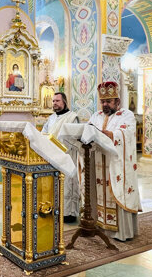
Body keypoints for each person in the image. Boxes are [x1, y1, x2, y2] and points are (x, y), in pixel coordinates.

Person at [87, 81, 141, 241]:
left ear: (117, 101)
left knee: (116, 190)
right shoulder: (96, 116)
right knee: (99, 192)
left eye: (108, 101)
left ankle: (120, 231)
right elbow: (88, 130)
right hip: (98, 162)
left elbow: (128, 133)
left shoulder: (126, 115)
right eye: (103, 101)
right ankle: (100, 225)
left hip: (116, 163)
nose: (104, 105)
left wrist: (112, 134)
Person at [42, 92, 80, 223]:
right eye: (53, 101)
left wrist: (59, 147)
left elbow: (73, 139)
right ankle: (54, 209)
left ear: (64, 102)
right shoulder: (51, 118)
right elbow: (44, 134)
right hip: (52, 157)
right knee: (54, 185)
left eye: (57, 101)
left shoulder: (72, 117)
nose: (54, 103)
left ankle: (69, 213)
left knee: (68, 185)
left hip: (67, 156)